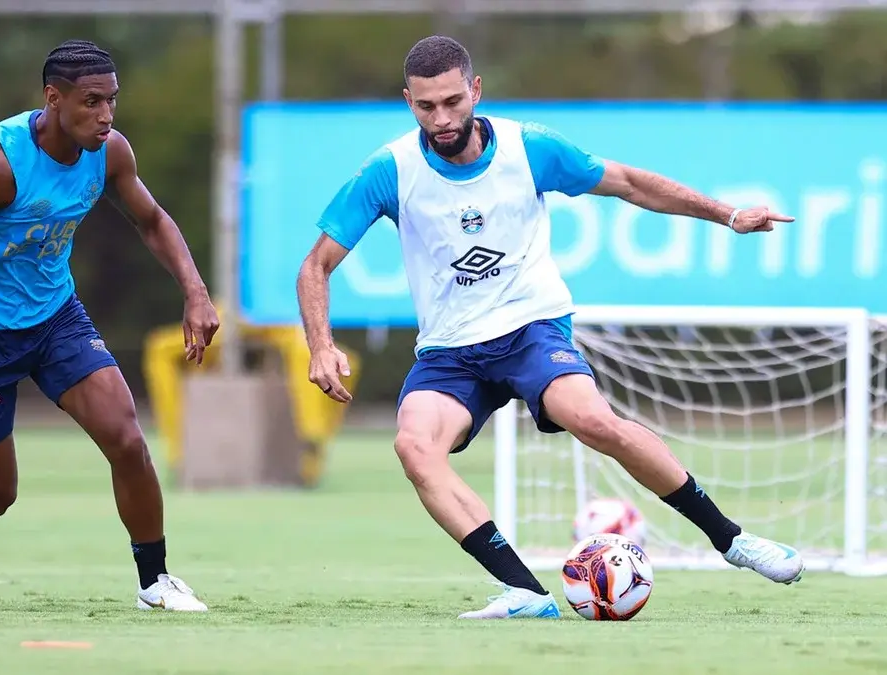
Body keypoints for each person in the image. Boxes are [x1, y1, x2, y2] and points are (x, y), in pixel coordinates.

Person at [296, 35, 805, 620]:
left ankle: (733, 541)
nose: (442, 118)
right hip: (449, 350)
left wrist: (728, 214)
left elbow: (630, 183)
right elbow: (316, 265)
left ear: (476, 90)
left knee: (591, 419)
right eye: (426, 106)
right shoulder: (389, 171)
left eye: (453, 102)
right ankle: (526, 592)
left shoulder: (528, 148)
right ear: (407, 101)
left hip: (530, 327)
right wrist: (321, 344)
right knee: (414, 446)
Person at [0, 40, 217, 611]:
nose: (106, 115)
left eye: (112, 101)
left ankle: (155, 582)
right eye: (91, 102)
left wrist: (195, 291)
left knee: (125, 436)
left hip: (55, 317)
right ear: (53, 98)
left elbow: (154, 219)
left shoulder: (109, 152)